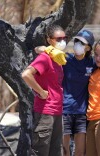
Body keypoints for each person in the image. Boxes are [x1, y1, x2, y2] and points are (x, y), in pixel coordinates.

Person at [34, 30, 100, 156]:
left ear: (88, 47)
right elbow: (37, 49)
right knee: (64, 151)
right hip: (65, 111)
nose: (77, 44)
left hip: (82, 114)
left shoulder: (93, 63)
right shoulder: (65, 59)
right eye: (76, 41)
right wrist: (48, 49)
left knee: (80, 152)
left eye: (82, 43)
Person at [21, 24, 67, 156]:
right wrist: (41, 92)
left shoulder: (57, 58)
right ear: (49, 40)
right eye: (58, 39)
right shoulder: (45, 58)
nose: (62, 41)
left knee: (56, 152)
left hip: (57, 112)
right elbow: (26, 75)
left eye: (64, 38)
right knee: (41, 151)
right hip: (45, 113)